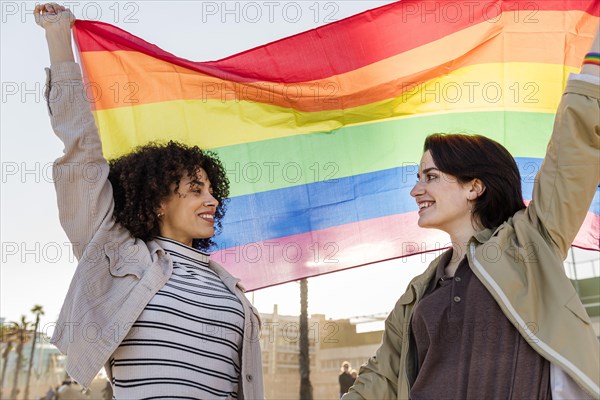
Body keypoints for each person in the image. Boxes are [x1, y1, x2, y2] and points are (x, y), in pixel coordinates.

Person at [344, 28, 600, 399]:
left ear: (474, 187)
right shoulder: (419, 292)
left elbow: (572, 150)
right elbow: (379, 379)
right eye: (418, 178)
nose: (417, 190)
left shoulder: (531, 242)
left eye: (431, 177)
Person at [34, 3, 263, 399]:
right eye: (195, 190)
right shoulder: (118, 254)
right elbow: (81, 152)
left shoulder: (230, 288)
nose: (212, 200)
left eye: (212, 190)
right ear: (158, 202)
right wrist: (58, 40)